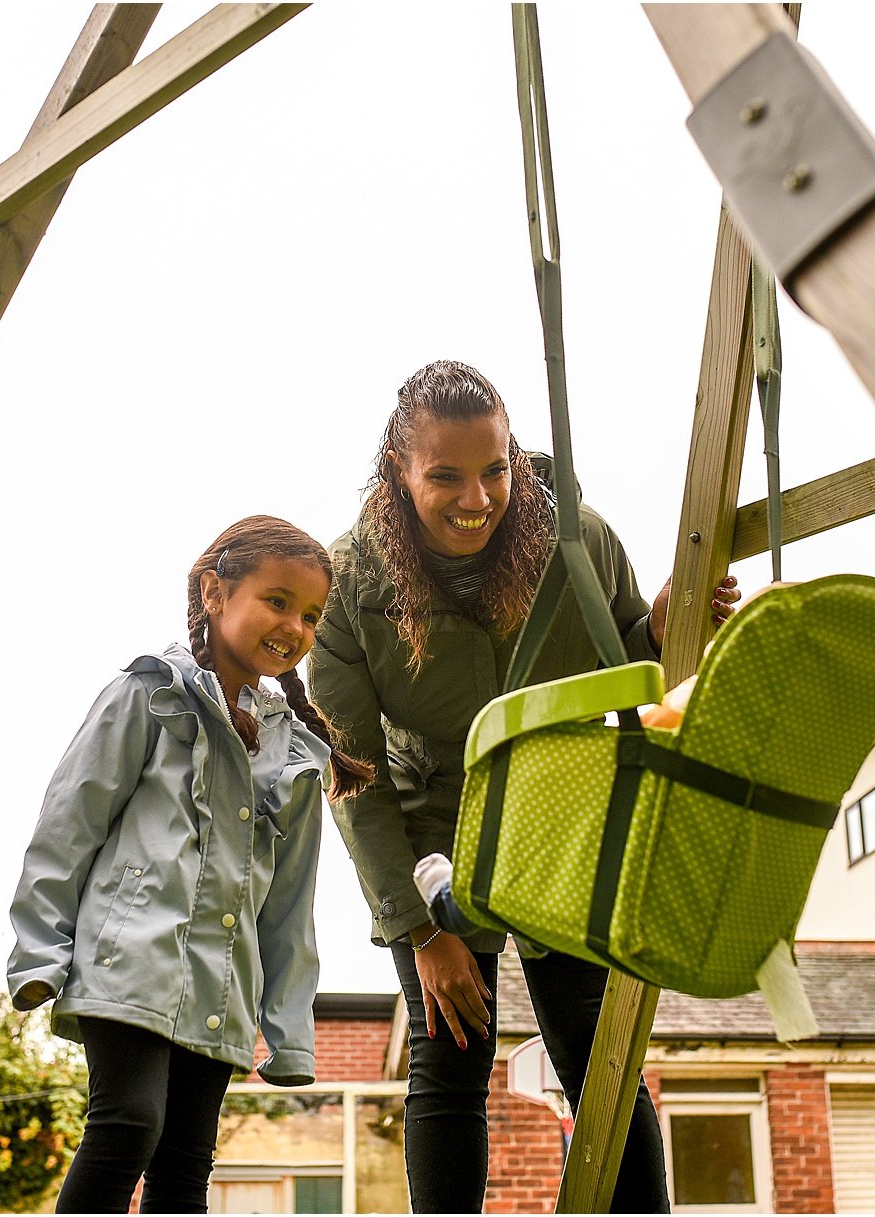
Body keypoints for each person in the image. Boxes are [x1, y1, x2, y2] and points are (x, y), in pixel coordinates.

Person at [310, 359, 739, 1213]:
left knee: (598, 1054)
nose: (477, 497)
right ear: (398, 470)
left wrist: (663, 625)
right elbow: (351, 776)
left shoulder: (575, 536)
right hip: (435, 827)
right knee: (450, 1054)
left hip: (558, 812)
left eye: (496, 469)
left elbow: (632, 671)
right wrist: (417, 932)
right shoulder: (351, 581)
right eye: (446, 475)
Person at [7, 516, 374, 1214]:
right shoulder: (149, 695)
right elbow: (66, 827)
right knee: (129, 1124)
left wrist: (288, 1028)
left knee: (185, 1167)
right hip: (129, 961)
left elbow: (290, 905)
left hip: (220, 985)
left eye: (311, 615)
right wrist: (39, 954)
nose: (294, 625)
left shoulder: (294, 753)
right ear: (215, 591)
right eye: (277, 600)